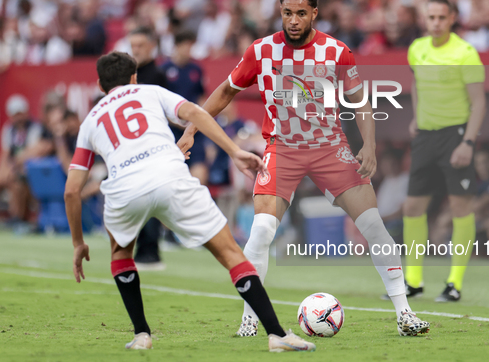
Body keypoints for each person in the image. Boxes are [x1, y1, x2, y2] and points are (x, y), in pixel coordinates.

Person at [178, 0, 429, 337]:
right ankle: (250, 319)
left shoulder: (336, 51)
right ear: (280, 13)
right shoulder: (261, 50)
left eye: (300, 13)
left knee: (374, 226)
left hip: (330, 148)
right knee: (262, 231)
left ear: (314, 14)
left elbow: (360, 101)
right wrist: (192, 129)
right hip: (282, 149)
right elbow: (226, 90)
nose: (293, 21)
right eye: (287, 13)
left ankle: (404, 314)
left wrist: (369, 145)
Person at [64, 52, 315, 352]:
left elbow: (71, 191)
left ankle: (142, 334)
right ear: (134, 77)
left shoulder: (91, 120)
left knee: (120, 252)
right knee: (231, 253)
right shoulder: (151, 92)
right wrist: (235, 152)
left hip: (123, 189)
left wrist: (78, 242)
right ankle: (277, 335)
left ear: (100, 85)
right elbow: (194, 112)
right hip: (171, 177)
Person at [403, 0, 487, 302]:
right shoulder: (417, 49)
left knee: (459, 208)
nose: (435, 22)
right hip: (425, 137)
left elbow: (479, 102)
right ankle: (413, 281)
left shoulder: (465, 53)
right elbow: (415, 84)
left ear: (452, 18)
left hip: (456, 135)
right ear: (425, 19)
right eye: (431, 17)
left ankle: (455, 284)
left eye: (441, 17)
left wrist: (468, 142)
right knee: (412, 207)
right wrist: (416, 115)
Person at [129, 26, 168, 269]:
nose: (136, 50)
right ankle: (141, 249)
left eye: (140, 46)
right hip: (134, 146)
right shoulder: (131, 74)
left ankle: (149, 250)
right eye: (132, 46)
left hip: (152, 145)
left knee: (149, 196)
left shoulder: (157, 76)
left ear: (152, 46)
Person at [0, 95, 42, 223]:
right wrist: (2, 172)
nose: (18, 118)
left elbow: (32, 155)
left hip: (26, 172)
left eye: (20, 114)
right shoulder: (9, 129)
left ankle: (16, 219)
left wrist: (12, 168)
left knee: (16, 183)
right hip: (12, 170)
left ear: (26, 112)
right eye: (15, 115)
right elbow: (4, 155)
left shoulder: (35, 128)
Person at [162, 31, 209, 184]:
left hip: (194, 129)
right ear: (176, 46)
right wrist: (179, 123)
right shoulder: (163, 71)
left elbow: (202, 96)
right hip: (171, 130)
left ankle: (198, 205)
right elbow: (161, 103)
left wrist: (198, 120)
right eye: (185, 46)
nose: (188, 50)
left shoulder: (196, 69)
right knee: (171, 174)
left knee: (199, 173)